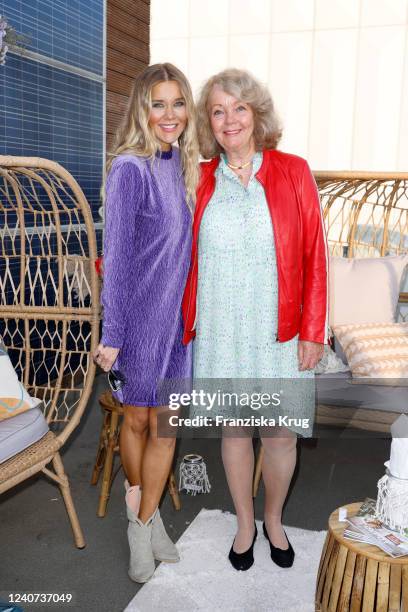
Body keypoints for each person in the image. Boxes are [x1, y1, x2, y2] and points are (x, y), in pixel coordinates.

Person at [181, 68, 328, 571]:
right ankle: (244, 524)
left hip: (279, 331)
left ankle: (273, 521)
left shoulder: (293, 171)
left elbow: (314, 256)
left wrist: (313, 330)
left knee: (281, 433)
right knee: (236, 431)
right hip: (222, 331)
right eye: (218, 111)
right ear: (209, 122)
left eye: (239, 108)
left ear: (257, 114)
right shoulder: (198, 179)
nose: (229, 120)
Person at [93, 63, 199, 583]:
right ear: (142, 108)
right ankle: (143, 529)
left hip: (178, 325)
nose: (169, 114)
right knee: (136, 422)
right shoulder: (129, 169)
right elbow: (116, 258)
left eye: (178, 103)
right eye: (159, 103)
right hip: (137, 321)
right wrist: (112, 335)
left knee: (168, 425)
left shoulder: (183, 165)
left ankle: (146, 515)